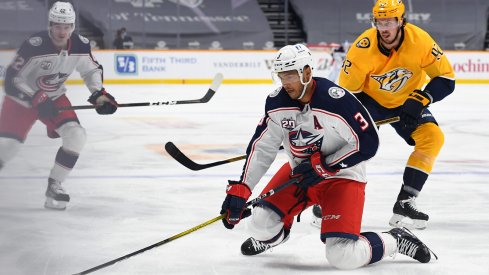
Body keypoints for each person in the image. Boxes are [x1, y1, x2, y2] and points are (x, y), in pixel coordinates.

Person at [220, 44, 436, 269]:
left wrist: (326, 165)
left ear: (306, 72)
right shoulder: (277, 103)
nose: (285, 82)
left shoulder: (336, 101)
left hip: (343, 178)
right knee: (258, 224)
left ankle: (395, 239)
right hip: (301, 175)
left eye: (291, 75)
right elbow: (262, 147)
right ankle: (274, 238)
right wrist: (242, 188)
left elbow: (369, 142)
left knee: (343, 256)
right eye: (281, 75)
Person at [338, 0, 455, 229]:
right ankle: (330, 202)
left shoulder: (419, 40)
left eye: (390, 21)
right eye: (379, 22)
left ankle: (405, 202)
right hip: (369, 102)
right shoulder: (362, 49)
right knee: (353, 146)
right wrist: (361, 122)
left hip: (407, 102)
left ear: (401, 21)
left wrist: (422, 98)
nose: (384, 27)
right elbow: (347, 96)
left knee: (432, 137)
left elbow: (446, 79)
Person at [0, 1, 118, 210]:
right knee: (7, 147)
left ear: (72, 26)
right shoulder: (35, 45)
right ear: (50, 25)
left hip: (53, 97)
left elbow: (91, 70)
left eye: (66, 26)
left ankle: (55, 185)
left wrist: (99, 95)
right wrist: (35, 97)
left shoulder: (81, 45)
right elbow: (13, 79)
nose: (61, 31)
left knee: (76, 135)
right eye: (57, 25)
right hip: (21, 100)